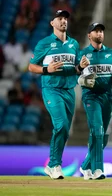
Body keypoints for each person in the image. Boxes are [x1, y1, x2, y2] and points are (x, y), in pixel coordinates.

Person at [28, 10, 89, 179]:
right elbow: (31, 67)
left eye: (65, 19)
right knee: (60, 125)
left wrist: (81, 67)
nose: (63, 21)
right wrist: (47, 69)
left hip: (69, 90)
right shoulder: (45, 43)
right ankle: (54, 164)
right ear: (52, 23)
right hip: (52, 90)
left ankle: (54, 164)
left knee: (64, 130)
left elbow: (75, 70)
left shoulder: (74, 44)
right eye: (59, 19)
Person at [78, 22, 112, 180]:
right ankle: (98, 169)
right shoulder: (83, 54)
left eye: (101, 31)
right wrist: (81, 74)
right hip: (91, 97)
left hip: (107, 97)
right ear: (89, 35)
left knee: (102, 135)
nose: (99, 34)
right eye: (96, 31)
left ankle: (86, 166)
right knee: (97, 130)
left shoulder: (111, 53)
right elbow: (76, 73)